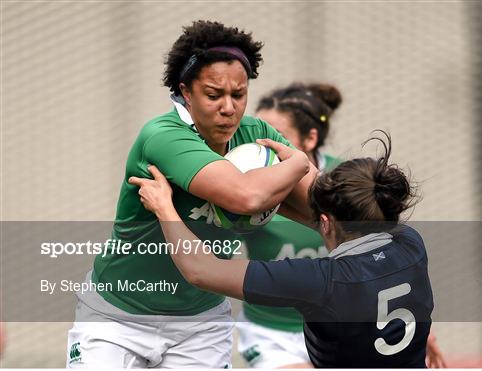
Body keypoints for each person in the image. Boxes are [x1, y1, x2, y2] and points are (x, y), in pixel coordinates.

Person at [66, 20, 317, 368]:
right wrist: (300, 161)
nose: (228, 107)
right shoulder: (163, 136)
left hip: (201, 322)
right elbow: (245, 197)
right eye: (214, 95)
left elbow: (322, 204)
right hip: (118, 317)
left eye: (239, 94)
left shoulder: (255, 133)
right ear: (186, 92)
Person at [129, 131, 436, 368]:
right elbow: (332, 216)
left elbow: (201, 270)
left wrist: (165, 208)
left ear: (326, 222)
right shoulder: (410, 245)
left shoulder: (321, 281)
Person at [238, 82, 342, 368]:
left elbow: (383, 254)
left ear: (310, 139)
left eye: (275, 135)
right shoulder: (246, 185)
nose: (262, 143)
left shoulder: (346, 184)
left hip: (339, 331)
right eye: (255, 133)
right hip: (271, 334)